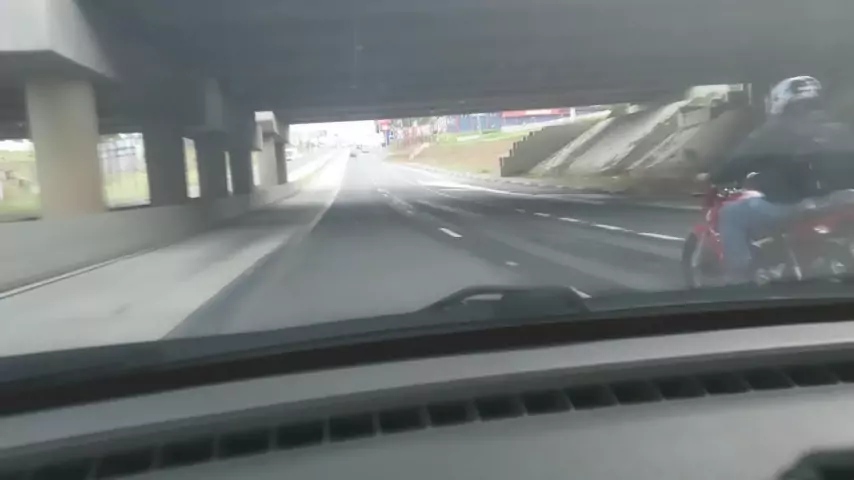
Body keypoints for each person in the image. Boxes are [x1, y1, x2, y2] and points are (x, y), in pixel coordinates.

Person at [709, 76, 854, 283]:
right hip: (840, 199)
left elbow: (738, 163)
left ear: (780, 101)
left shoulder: (772, 132)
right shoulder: (838, 129)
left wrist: (715, 177)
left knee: (730, 213)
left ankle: (739, 280)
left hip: (792, 204)